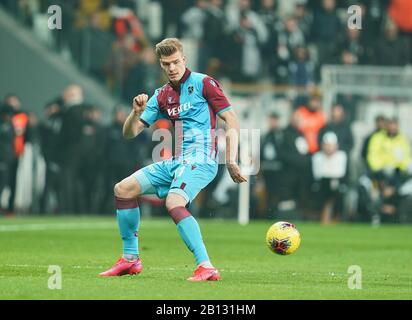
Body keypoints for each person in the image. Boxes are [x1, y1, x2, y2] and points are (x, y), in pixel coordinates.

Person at [99, 38, 246, 281]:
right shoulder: (161, 95)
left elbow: (231, 119)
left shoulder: (204, 83)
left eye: (176, 62)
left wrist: (230, 160)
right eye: (166, 64)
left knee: (174, 201)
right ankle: (130, 259)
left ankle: (206, 266)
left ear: (184, 60)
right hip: (178, 161)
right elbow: (130, 133)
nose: (172, 68)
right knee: (123, 189)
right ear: (161, 65)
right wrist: (134, 113)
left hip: (202, 159)